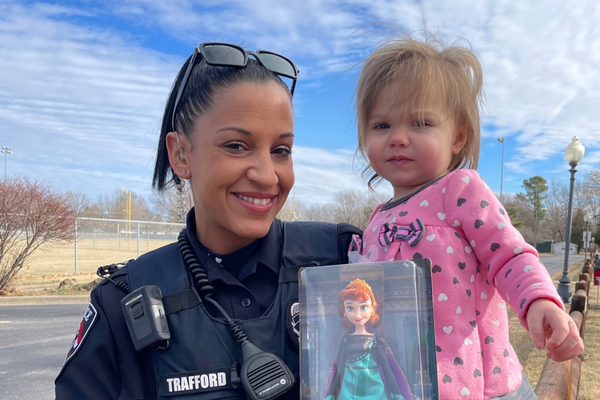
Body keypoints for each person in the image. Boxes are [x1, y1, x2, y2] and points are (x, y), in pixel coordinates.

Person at [55, 42, 361, 400]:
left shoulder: (345, 259)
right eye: (236, 145)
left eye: (281, 151)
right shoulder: (121, 302)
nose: (267, 175)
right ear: (180, 154)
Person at [348, 34, 584, 399]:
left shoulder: (459, 190)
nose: (397, 137)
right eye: (381, 126)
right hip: (406, 386)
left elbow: (509, 255)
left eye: (420, 123)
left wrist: (538, 300)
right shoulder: (376, 219)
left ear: (457, 138)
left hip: (484, 387)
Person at [323, 278, 413, 400]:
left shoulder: (376, 341)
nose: (357, 314)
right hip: (349, 387)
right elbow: (338, 368)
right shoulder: (345, 341)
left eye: (363, 307)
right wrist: (332, 393)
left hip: (373, 386)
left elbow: (387, 368)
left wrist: (396, 393)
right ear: (344, 311)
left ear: (373, 308)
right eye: (350, 308)